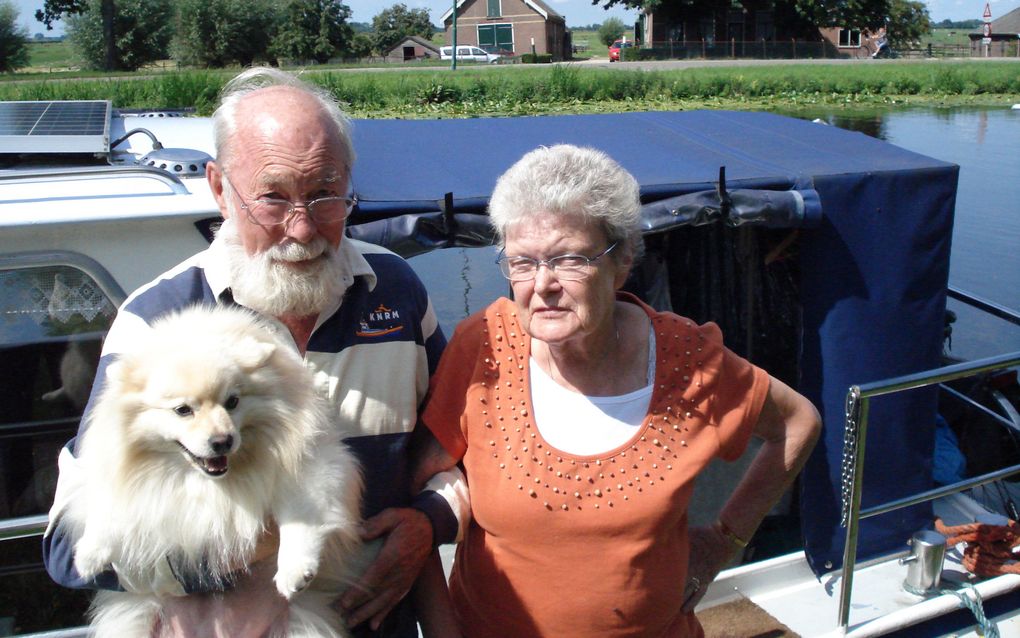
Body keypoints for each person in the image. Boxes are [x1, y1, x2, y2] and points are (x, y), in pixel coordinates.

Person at [42, 67, 466, 637]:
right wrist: (239, 560)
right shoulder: (154, 319)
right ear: (219, 189)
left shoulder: (397, 291)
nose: (302, 228)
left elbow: (459, 451)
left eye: (324, 194)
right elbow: (67, 550)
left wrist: (428, 524)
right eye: (273, 197)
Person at [412, 144, 822, 637]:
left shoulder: (688, 359)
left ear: (622, 260)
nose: (542, 285)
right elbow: (415, 504)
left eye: (568, 259)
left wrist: (723, 539)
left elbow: (798, 424)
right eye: (522, 262)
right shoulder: (483, 346)